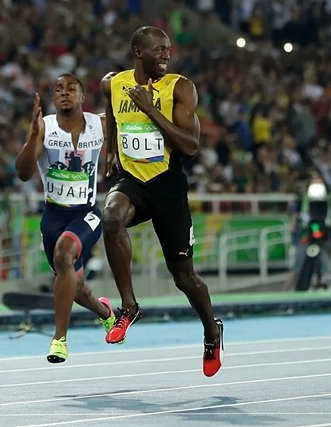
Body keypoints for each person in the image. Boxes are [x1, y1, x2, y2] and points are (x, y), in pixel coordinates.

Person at [100, 26, 223, 377]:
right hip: (132, 181)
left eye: (169, 50)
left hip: (168, 186)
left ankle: (212, 331)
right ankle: (128, 306)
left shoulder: (180, 87)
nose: (167, 56)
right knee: (110, 219)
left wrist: (151, 110)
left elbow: (190, 146)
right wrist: (110, 149)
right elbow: (111, 115)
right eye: (159, 51)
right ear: (139, 52)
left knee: (184, 277)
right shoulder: (113, 83)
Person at [15, 74, 116, 363]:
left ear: (82, 96)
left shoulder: (100, 124)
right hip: (54, 216)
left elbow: (125, 125)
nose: (64, 93)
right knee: (75, 286)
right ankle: (105, 312)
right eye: (58, 89)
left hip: (87, 212)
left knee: (64, 253)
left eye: (71, 89)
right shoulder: (44, 127)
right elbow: (23, 173)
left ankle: (59, 340)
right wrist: (33, 136)